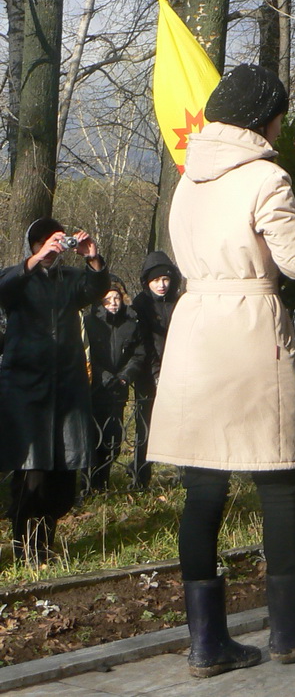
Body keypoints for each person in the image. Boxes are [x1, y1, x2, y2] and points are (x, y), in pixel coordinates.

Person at [147, 64, 295, 679]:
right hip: (251, 327)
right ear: (264, 119)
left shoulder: (187, 180)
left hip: (194, 329)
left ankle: (207, 642)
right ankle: (288, 627)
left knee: (202, 490)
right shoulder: (265, 175)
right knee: (278, 479)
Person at [0, 219, 110, 563]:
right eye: (42, 244)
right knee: (32, 475)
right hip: (26, 389)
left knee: (63, 476)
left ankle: (45, 543)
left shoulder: (69, 280)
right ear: (32, 246)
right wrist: (33, 262)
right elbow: (3, 290)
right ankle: (27, 549)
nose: (50, 251)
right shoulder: (18, 278)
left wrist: (92, 258)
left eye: (55, 244)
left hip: (66, 387)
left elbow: (96, 288)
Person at [84, 276, 145, 491]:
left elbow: (138, 355)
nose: (113, 303)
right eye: (108, 299)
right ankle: (87, 485)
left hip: (118, 390)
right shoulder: (90, 322)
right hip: (94, 389)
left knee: (113, 438)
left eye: (116, 298)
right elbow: (86, 355)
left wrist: (124, 376)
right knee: (91, 437)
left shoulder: (131, 323)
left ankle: (104, 482)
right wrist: (103, 375)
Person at [130, 249, 181, 489]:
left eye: (165, 279)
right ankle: (141, 477)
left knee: (182, 423)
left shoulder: (180, 301)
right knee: (145, 426)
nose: (161, 285)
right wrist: (156, 372)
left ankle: (184, 475)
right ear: (146, 281)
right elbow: (143, 343)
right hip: (148, 375)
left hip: (178, 371)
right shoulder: (141, 305)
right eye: (155, 280)